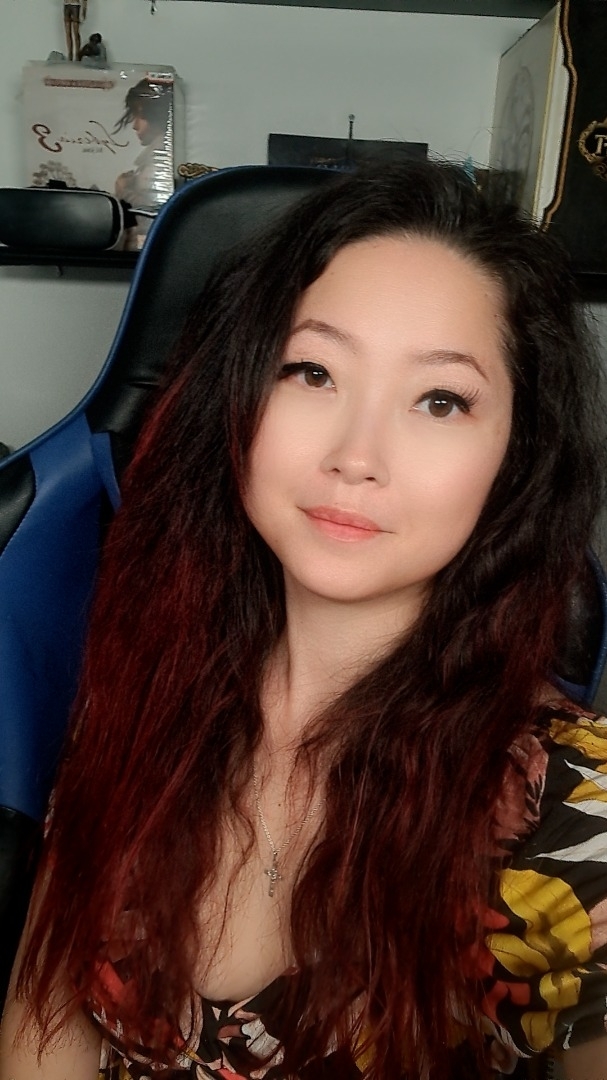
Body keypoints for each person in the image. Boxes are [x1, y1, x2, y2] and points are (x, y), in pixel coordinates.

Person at [1, 160, 607, 1080]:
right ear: (239, 400)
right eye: (312, 371)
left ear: (513, 460)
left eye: (440, 399)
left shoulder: (574, 816)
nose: (355, 455)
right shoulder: (143, 689)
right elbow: (43, 1018)